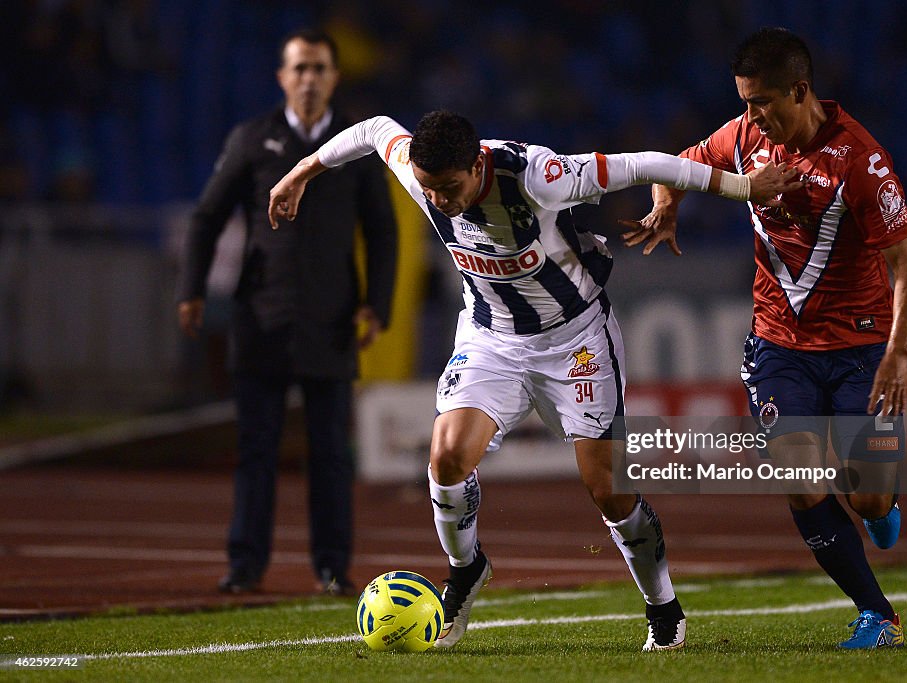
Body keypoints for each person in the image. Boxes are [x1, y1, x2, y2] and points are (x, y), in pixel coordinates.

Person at [268, 110, 800, 649]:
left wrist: (743, 186)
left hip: (576, 342)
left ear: (477, 166)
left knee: (608, 489)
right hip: (491, 340)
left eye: (451, 189)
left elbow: (644, 164)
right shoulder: (418, 169)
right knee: (447, 456)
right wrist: (300, 173)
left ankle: (662, 605)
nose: (441, 202)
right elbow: (374, 128)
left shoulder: (540, 175)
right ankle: (465, 569)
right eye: (431, 191)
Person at [624, 27, 907, 649]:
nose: (751, 115)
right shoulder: (744, 139)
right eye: (743, 101)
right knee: (801, 478)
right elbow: (678, 166)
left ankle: (880, 507)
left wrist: (897, 354)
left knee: (867, 501)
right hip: (778, 343)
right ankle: (878, 613)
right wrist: (667, 202)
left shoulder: (861, 161)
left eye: (761, 101)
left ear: (800, 90)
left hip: (862, 346)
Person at [176, 29, 397, 597]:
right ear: (282, 77)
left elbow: (382, 228)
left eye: (319, 68)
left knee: (329, 454)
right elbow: (206, 217)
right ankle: (245, 565)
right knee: (256, 449)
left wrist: (379, 304)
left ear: (334, 77)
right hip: (261, 316)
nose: (309, 79)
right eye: (299, 68)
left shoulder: (356, 147)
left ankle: (332, 568)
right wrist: (191, 290)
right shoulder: (251, 139)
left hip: (333, 318)